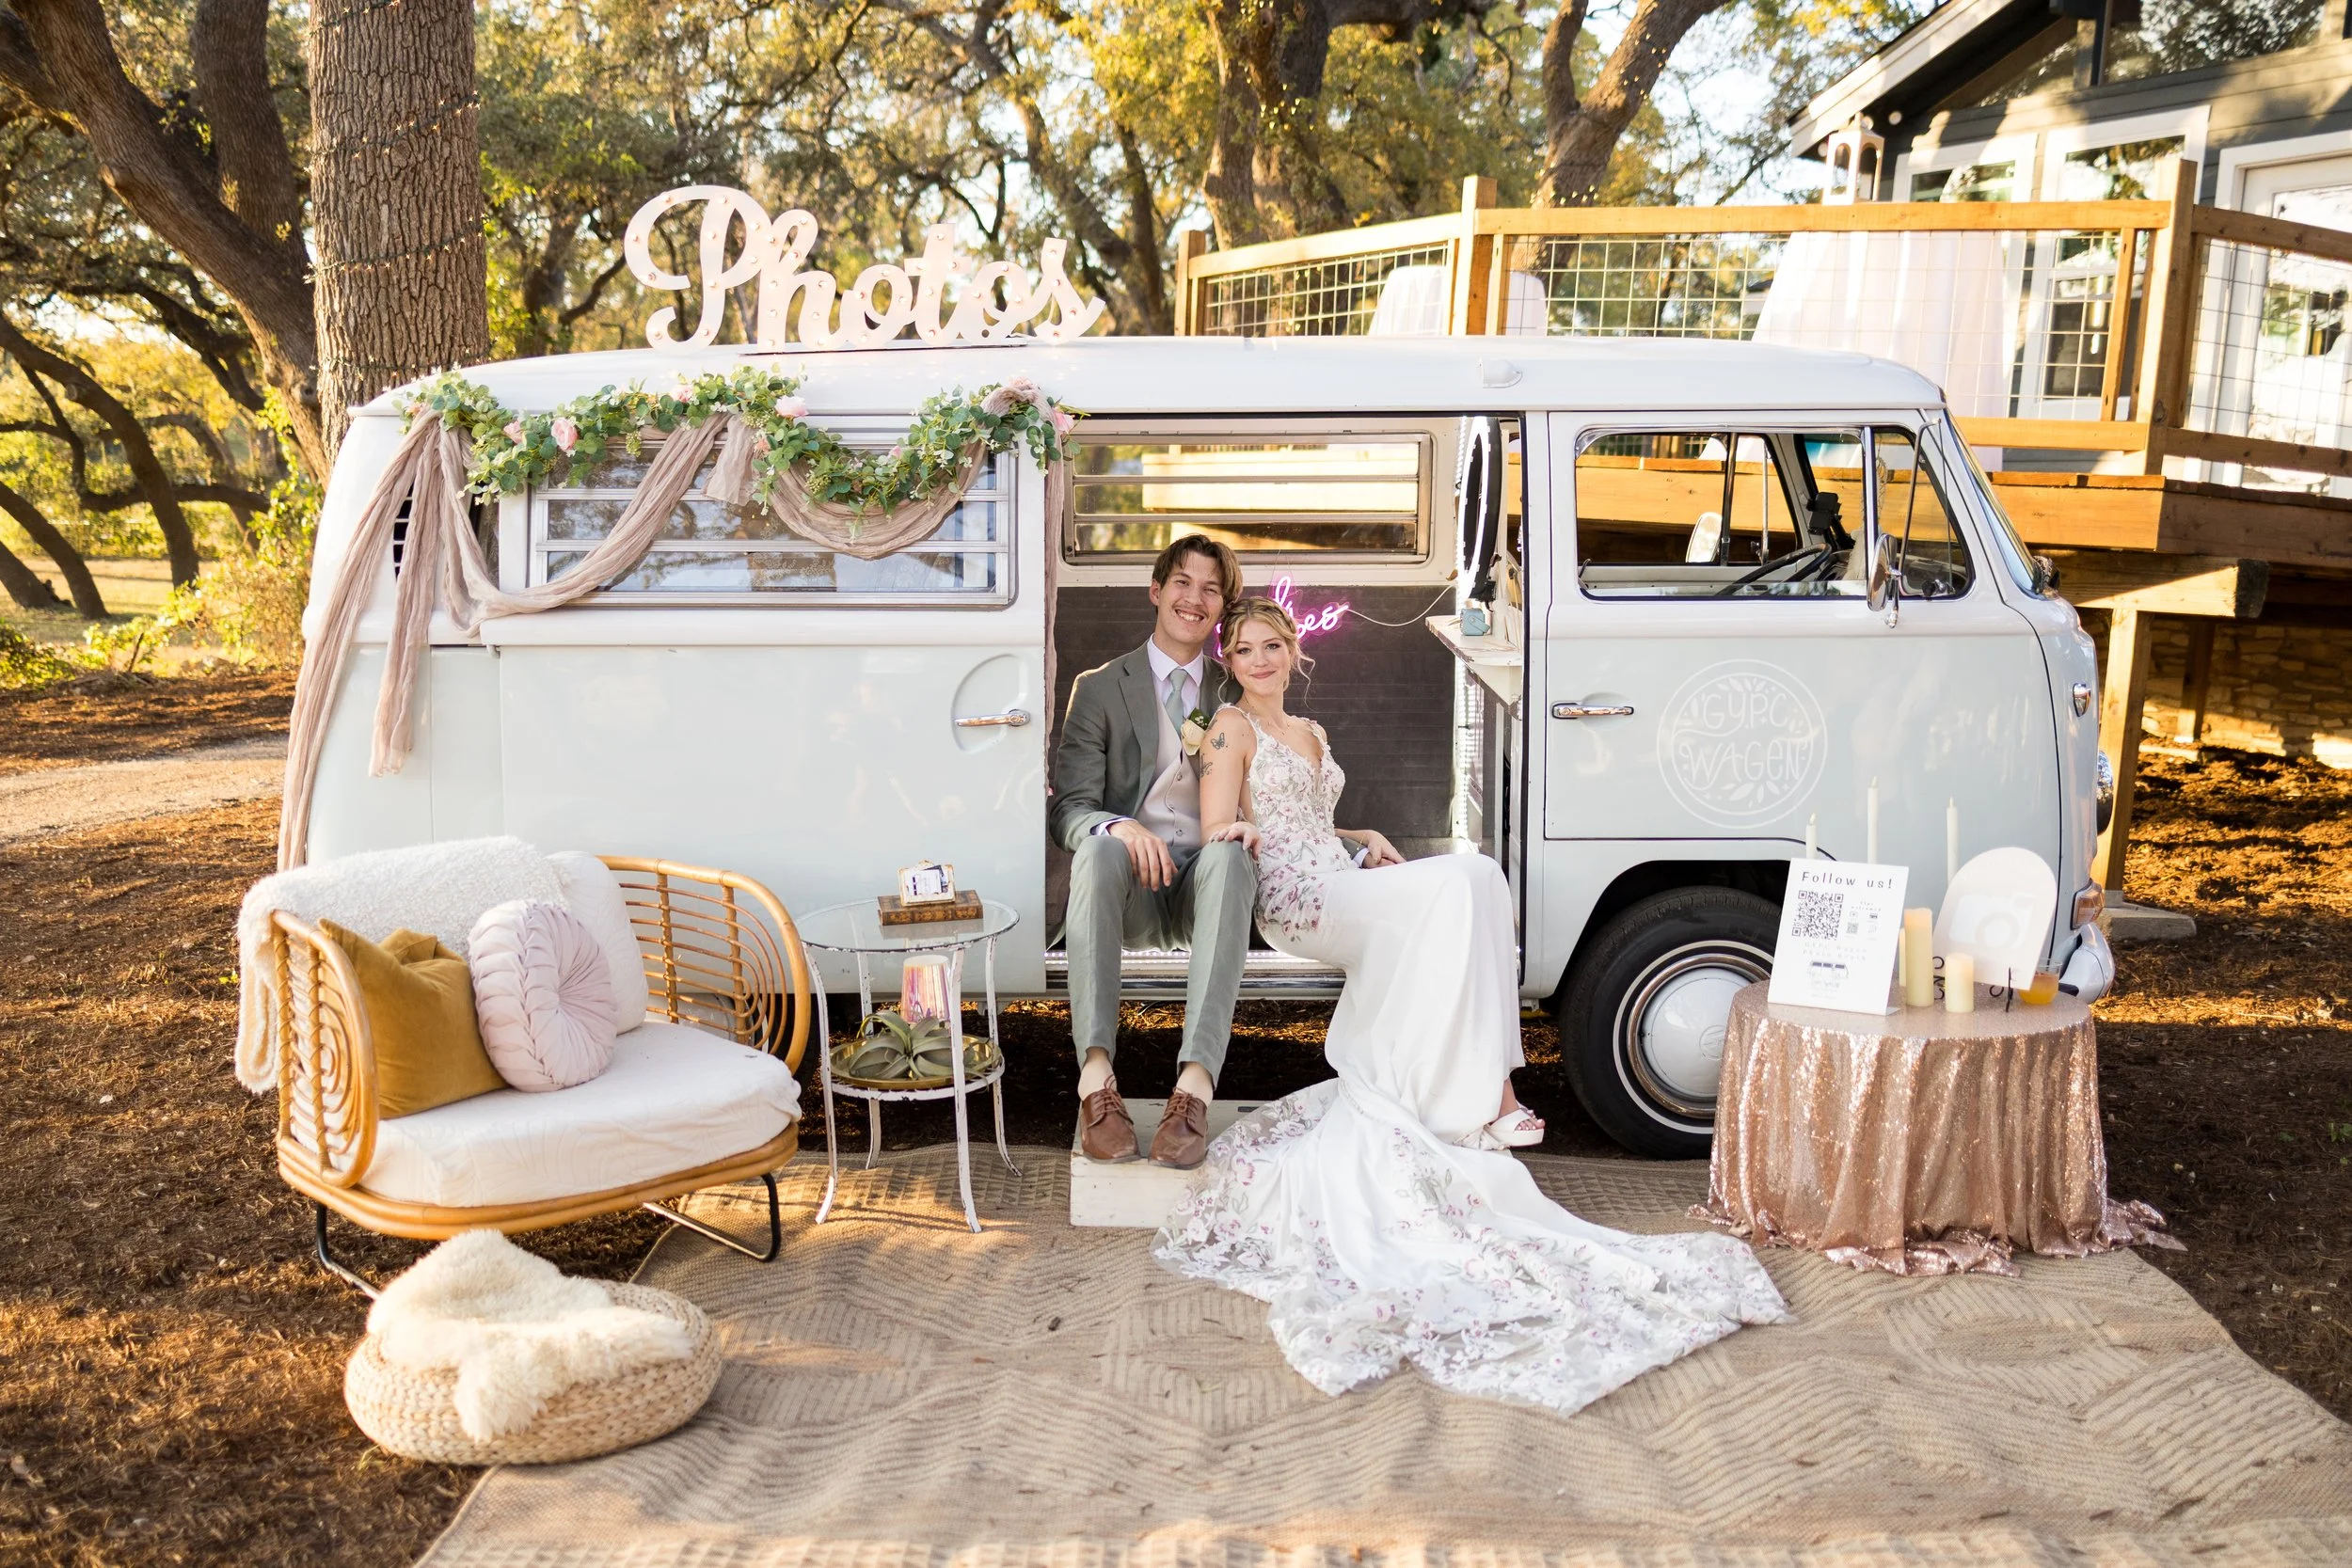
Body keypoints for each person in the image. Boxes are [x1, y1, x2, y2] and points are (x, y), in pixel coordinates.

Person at [1156, 595, 1790, 1418]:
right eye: (1243, 651)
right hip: (1297, 898)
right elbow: (1221, 824)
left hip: (1340, 874)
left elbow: (1316, 817)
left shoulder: (1311, 732)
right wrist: (1239, 837)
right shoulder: (1230, 729)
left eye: (1271, 645)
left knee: (1479, 874)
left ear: (1292, 651)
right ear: (1230, 662)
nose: (1260, 659)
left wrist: (1362, 836)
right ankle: (1482, 1097)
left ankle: (1494, 1089)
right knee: (1453, 888)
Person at [1052, 534, 1257, 1170]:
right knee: (1097, 848)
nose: (1194, 599)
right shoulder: (1099, 688)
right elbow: (1068, 810)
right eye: (1183, 582)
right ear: (1156, 589)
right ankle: (1096, 1082)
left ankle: (1192, 1089)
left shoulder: (1237, 686)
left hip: (1207, 888)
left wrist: (1355, 842)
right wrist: (1119, 826)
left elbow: (1285, 790)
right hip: (1133, 889)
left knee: (1229, 855)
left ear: (1222, 606)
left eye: (1211, 588)